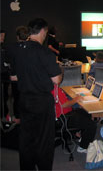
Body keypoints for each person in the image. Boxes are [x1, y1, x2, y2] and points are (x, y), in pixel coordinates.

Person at [10, 18, 62, 170]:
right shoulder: (45, 52)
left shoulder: (18, 49)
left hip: (24, 100)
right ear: (43, 31)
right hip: (41, 101)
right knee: (44, 140)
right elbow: (57, 80)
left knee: (26, 138)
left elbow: (14, 77)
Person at [52, 85, 97, 154]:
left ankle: (82, 136)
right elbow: (64, 105)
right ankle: (83, 147)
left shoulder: (51, 87)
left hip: (64, 114)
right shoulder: (55, 89)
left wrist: (75, 99)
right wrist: (76, 100)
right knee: (92, 125)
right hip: (63, 118)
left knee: (86, 112)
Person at [7, 26, 30, 123]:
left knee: (17, 97)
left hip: (16, 77)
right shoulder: (32, 47)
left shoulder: (11, 47)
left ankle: (17, 117)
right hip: (28, 77)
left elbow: (9, 62)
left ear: (17, 36)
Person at [0, 29, 10, 121]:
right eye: (1, 36)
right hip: (2, 76)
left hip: (5, 76)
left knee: (4, 97)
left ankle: (5, 114)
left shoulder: (3, 48)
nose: (3, 38)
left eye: (3, 36)